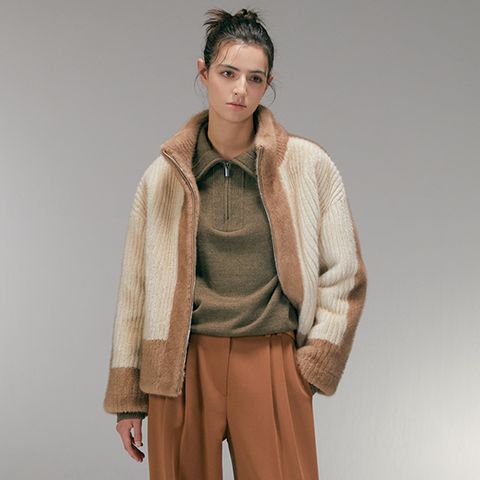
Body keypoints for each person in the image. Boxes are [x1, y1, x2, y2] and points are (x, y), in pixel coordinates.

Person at [103, 7, 367, 480]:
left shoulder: (308, 166)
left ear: (267, 85)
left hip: (271, 361)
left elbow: (345, 276)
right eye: (228, 73)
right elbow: (135, 292)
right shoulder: (162, 178)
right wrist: (128, 400)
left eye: (254, 78)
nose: (240, 89)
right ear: (203, 72)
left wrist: (312, 367)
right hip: (181, 366)